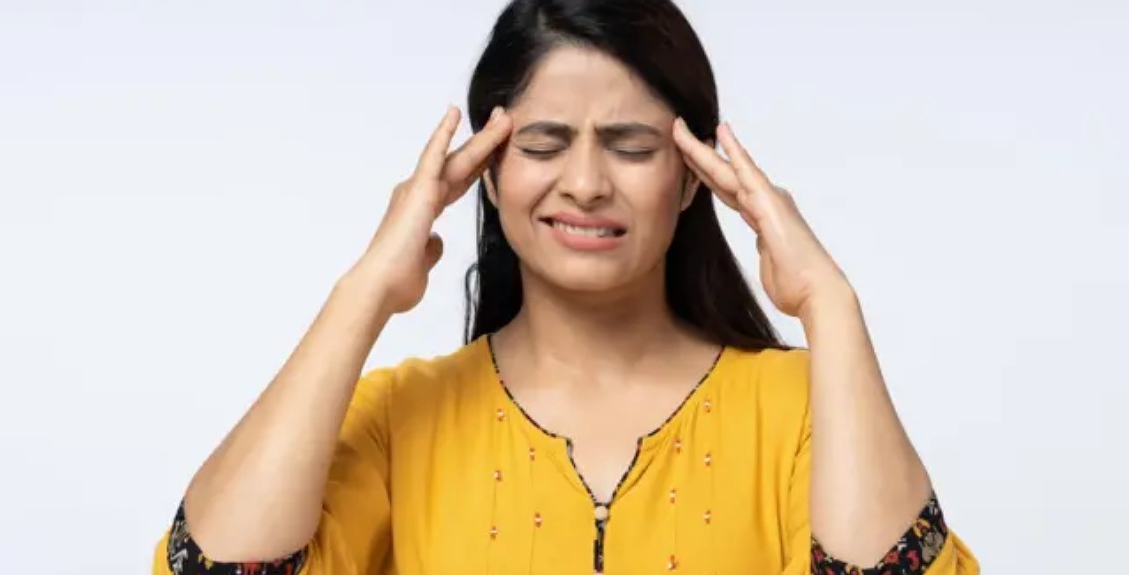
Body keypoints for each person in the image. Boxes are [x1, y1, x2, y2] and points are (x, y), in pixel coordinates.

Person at [152, 0, 978, 573]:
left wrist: (831, 302)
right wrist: (365, 289)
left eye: (630, 146)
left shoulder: (802, 407)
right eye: (544, 144)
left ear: (693, 176)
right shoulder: (400, 418)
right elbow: (214, 566)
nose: (585, 183)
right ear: (486, 170)